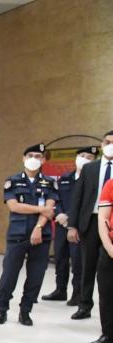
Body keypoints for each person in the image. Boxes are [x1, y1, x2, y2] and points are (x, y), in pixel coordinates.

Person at [0, 143, 58, 326]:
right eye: (30, 156)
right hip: (17, 235)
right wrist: (40, 209)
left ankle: (25, 311)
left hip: (41, 236)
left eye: (38, 156)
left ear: (43, 160)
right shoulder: (12, 181)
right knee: (9, 275)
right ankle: (1, 309)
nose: (34, 159)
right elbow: (14, 206)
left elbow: (50, 210)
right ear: (23, 158)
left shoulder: (50, 182)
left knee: (36, 276)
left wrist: (39, 227)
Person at [41, 146, 97, 304]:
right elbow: (56, 198)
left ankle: (78, 294)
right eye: (82, 155)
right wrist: (59, 214)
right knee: (60, 258)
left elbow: (88, 204)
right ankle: (60, 290)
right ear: (76, 157)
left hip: (79, 227)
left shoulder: (92, 180)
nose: (84, 159)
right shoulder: (65, 177)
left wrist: (71, 220)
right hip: (61, 224)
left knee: (78, 261)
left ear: (94, 161)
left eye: (89, 157)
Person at [68, 130, 113, 320]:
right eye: (107, 142)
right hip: (91, 222)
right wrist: (72, 225)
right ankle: (84, 305)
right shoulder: (89, 168)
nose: (110, 146)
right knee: (87, 266)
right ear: (101, 145)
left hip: (111, 223)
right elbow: (77, 197)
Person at [87, 178, 113, 343]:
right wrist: (109, 247)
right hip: (110, 247)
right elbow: (102, 218)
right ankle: (108, 335)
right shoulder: (111, 184)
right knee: (107, 293)